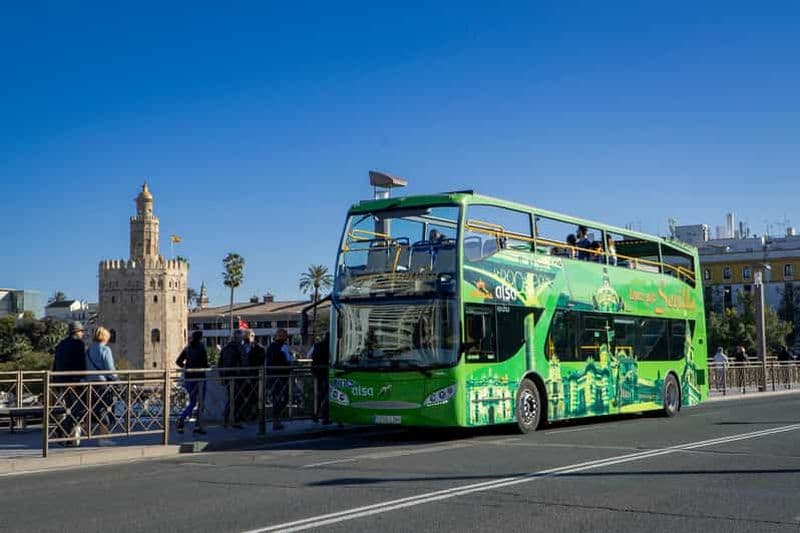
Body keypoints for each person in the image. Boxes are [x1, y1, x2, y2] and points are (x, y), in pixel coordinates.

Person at [52, 321, 87, 446]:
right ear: (77, 332)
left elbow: (55, 363)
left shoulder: (61, 344)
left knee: (70, 409)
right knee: (80, 408)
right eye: (82, 331)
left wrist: (55, 380)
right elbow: (80, 364)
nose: (83, 333)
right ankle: (60, 431)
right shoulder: (78, 344)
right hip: (74, 381)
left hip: (61, 380)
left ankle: (67, 437)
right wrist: (81, 379)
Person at [84, 327, 119, 435]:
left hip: (90, 383)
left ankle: (87, 432)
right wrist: (117, 380)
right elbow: (110, 369)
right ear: (105, 337)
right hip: (102, 383)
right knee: (105, 409)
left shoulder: (88, 350)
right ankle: (103, 437)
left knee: (91, 408)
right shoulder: (105, 350)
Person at [175, 330, 209, 434]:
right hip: (200, 378)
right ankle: (198, 426)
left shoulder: (187, 348)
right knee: (201, 403)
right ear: (201, 338)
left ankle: (182, 419)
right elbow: (205, 364)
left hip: (189, 378)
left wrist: (186, 367)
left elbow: (178, 361)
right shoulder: (202, 348)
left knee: (192, 402)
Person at [266, 328, 293, 430]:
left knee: (275, 398)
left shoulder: (270, 347)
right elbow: (288, 359)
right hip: (281, 376)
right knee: (284, 397)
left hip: (272, 376)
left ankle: (276, 420)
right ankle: (276, 420)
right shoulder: (284, 347)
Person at [219, 329, 245, 428]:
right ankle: (236, 420)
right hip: (238, 377)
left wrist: (222, 376)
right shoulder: (240, 347)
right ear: (239, 338)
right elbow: (244, 362)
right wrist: (246, 375)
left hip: (227, 376)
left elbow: (220, 363)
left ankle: (226, 419)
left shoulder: (226, 348)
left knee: (230, 398)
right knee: (237, 399)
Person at [241, 329, 266, 421]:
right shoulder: (241, 347)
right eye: (246, 336)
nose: (248, 338)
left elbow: (261, 361)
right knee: (243, 396)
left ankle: (254, 415)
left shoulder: (259, 348)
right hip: (242, 377)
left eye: (250, 336)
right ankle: (243, 415)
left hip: (255, 376)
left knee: (255, 397)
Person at [310, 333, 331, 424]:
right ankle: (324, 416)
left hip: (316, 372)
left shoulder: (317, 345)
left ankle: (315, 414)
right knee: (327, 395)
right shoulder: (331, 346)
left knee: (318, 394)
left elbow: (309, 355)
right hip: (326, 372)